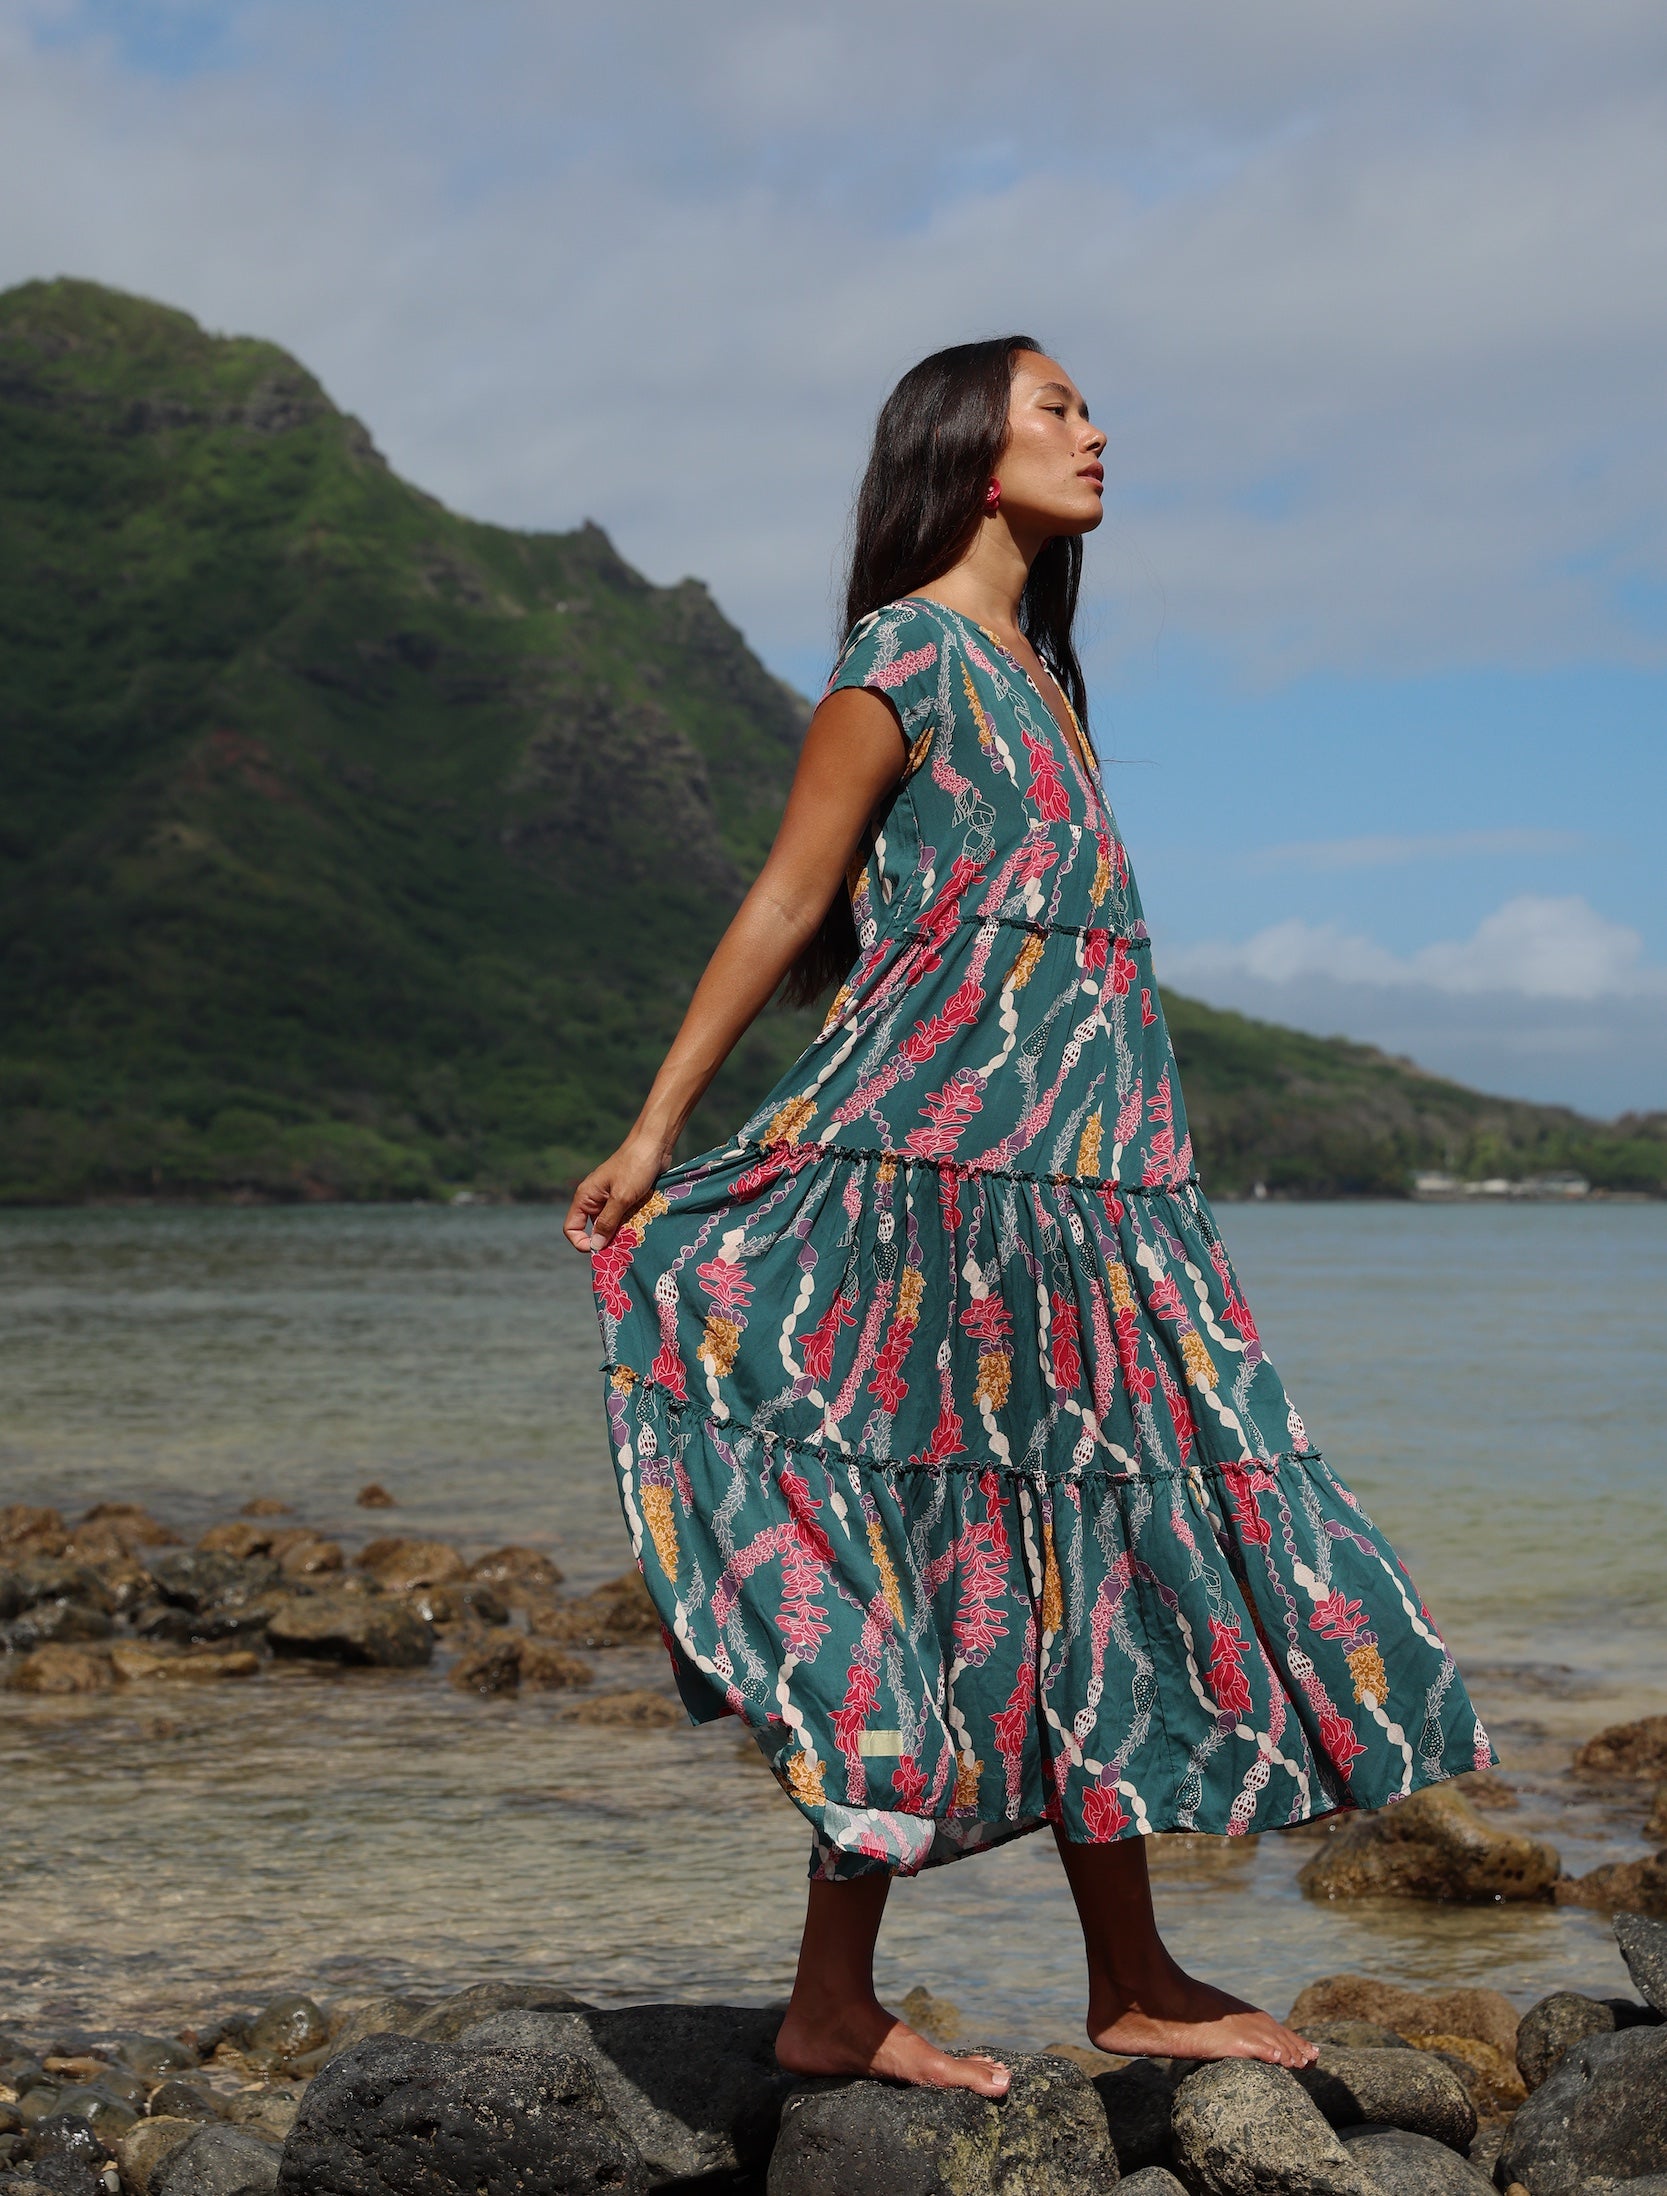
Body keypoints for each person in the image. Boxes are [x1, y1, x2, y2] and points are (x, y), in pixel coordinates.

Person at [565, 336, 1492, 2101]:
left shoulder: (1045, 674)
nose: (1097, 431)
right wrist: (654, 1129)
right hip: (931, 1197)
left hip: (1093, 1205)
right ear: (973, 453)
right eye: (1061, 407)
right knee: (942, 1567)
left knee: (1080, 1573)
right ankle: (838, 2001)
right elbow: (789, 899)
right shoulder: (902, 656)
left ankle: (1129, 1972)